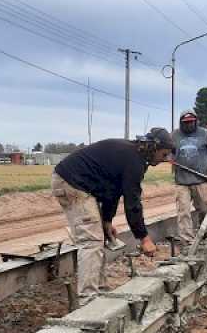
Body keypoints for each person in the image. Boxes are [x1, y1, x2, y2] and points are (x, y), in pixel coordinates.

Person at [50, 129, 174, 302]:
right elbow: (133, 203)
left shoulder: (130, 154)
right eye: (164, 153)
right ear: (154, 147)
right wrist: (144, 238)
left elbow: (113, 191)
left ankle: (100, 290)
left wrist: (107, 221)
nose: (164, 159)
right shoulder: (134, 161)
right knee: (91, 240)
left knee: (98, 236)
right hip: (72, 182)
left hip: (78, 184)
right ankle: (89, 299)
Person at [171, 109, 207, 244]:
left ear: (196, 121)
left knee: (203, 209)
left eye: (191, 122)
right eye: (186, 123)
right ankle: (187, 240)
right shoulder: (174, 135)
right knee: (183, 212)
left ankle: (204, 233)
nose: (189, 125)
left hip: (201, 179)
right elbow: (168, 152)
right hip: (181, 181)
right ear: (181, 123)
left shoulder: (205, 134)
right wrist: (169, 157)